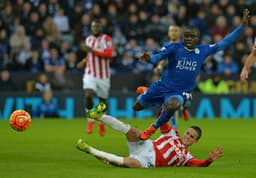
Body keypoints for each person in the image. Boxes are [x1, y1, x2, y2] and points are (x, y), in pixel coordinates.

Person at [135, 9, 249, 140]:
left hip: (180, 92)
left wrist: (242, 27)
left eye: (192, 36)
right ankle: (147, 91)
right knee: (137, 107)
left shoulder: (203, 50)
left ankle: (152, 128)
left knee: (173, 106)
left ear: (197, 37)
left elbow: (224, 42)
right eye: (187, 36)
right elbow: (158, 57)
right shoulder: (174, 47)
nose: (189, 39)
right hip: (162, 86)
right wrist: (149, 59)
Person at [76, 103, 223, 168]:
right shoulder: (173, 133)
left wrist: (209, 160)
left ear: (195, 142)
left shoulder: (187, 157)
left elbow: (200, 164)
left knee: (127, 164)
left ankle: (89, 149)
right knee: (134, 132)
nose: (187, 137)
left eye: (191, 137)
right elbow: (162, 118)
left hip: (149, 161)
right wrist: (163, 105)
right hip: (147, 145)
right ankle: (97, 116)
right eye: (188, 133)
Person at [77, 19, 113, 136]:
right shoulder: (88, 39)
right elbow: (90, 56)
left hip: (103, 75)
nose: (95, 29)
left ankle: (101, 123)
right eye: (94, 27)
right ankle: (90, 121)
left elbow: (109, 54)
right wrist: (83, 61)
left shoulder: (106, 39)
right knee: (88, 95)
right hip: (90, 73)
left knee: (102, 101)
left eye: (97, 27)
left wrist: (92, 50)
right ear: (91, 28)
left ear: (101, 28)